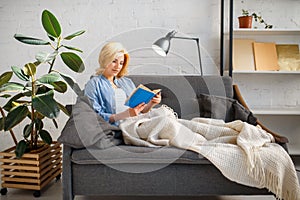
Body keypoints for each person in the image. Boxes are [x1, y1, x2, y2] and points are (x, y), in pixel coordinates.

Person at [84, 42, 161, 126]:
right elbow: (95, 116)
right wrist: (125, 114)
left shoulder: (126, 82)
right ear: (105, 60)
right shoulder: (94, 84)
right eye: (114, 61)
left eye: (121, 63)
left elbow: (139, 110)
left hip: (135, 123)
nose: (118, 67)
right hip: (118, 128)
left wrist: (151, 103)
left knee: (165, 117)